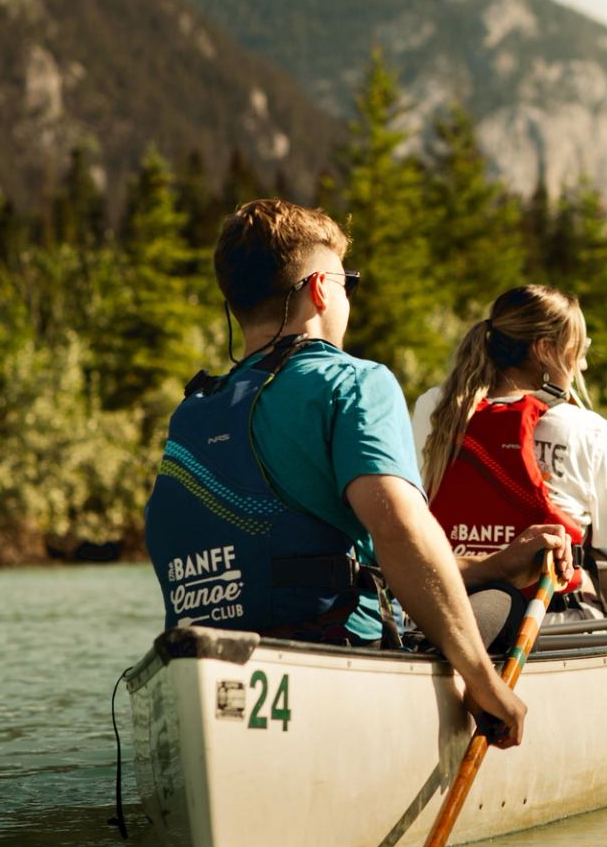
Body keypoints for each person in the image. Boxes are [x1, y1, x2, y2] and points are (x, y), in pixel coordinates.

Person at [143, 200, 570, 747]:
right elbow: (399, 532)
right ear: (321, 288)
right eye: (349, 284)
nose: (348, 297)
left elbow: (346, 551)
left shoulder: (194, 409)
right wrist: (482, 680)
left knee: (491, 583)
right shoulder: (354, 383)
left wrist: (495, 563)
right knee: (506, 606)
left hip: (208, 668)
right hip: (336, 657)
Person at [412, 285, 607, 617]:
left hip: (449, 609)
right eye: (581, 349)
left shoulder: (438, 406)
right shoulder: (586, 428)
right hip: (549, 617)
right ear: (546, 349)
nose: (584, 365)